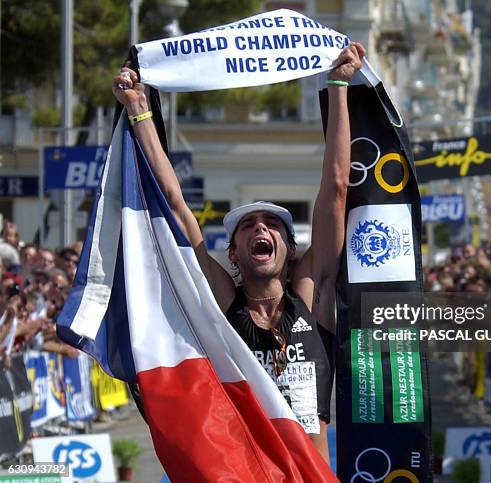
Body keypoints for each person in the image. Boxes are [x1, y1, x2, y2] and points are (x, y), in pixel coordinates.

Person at [112, 42, 366, 461]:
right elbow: (176, 207)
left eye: (271, 226)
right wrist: (139, 110)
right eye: (248, 226)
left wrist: (337, 86)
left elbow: (337, 188)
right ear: (234, 254)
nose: (260, 228)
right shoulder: (226, 308)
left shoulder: (311, 296)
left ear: (291, 247)